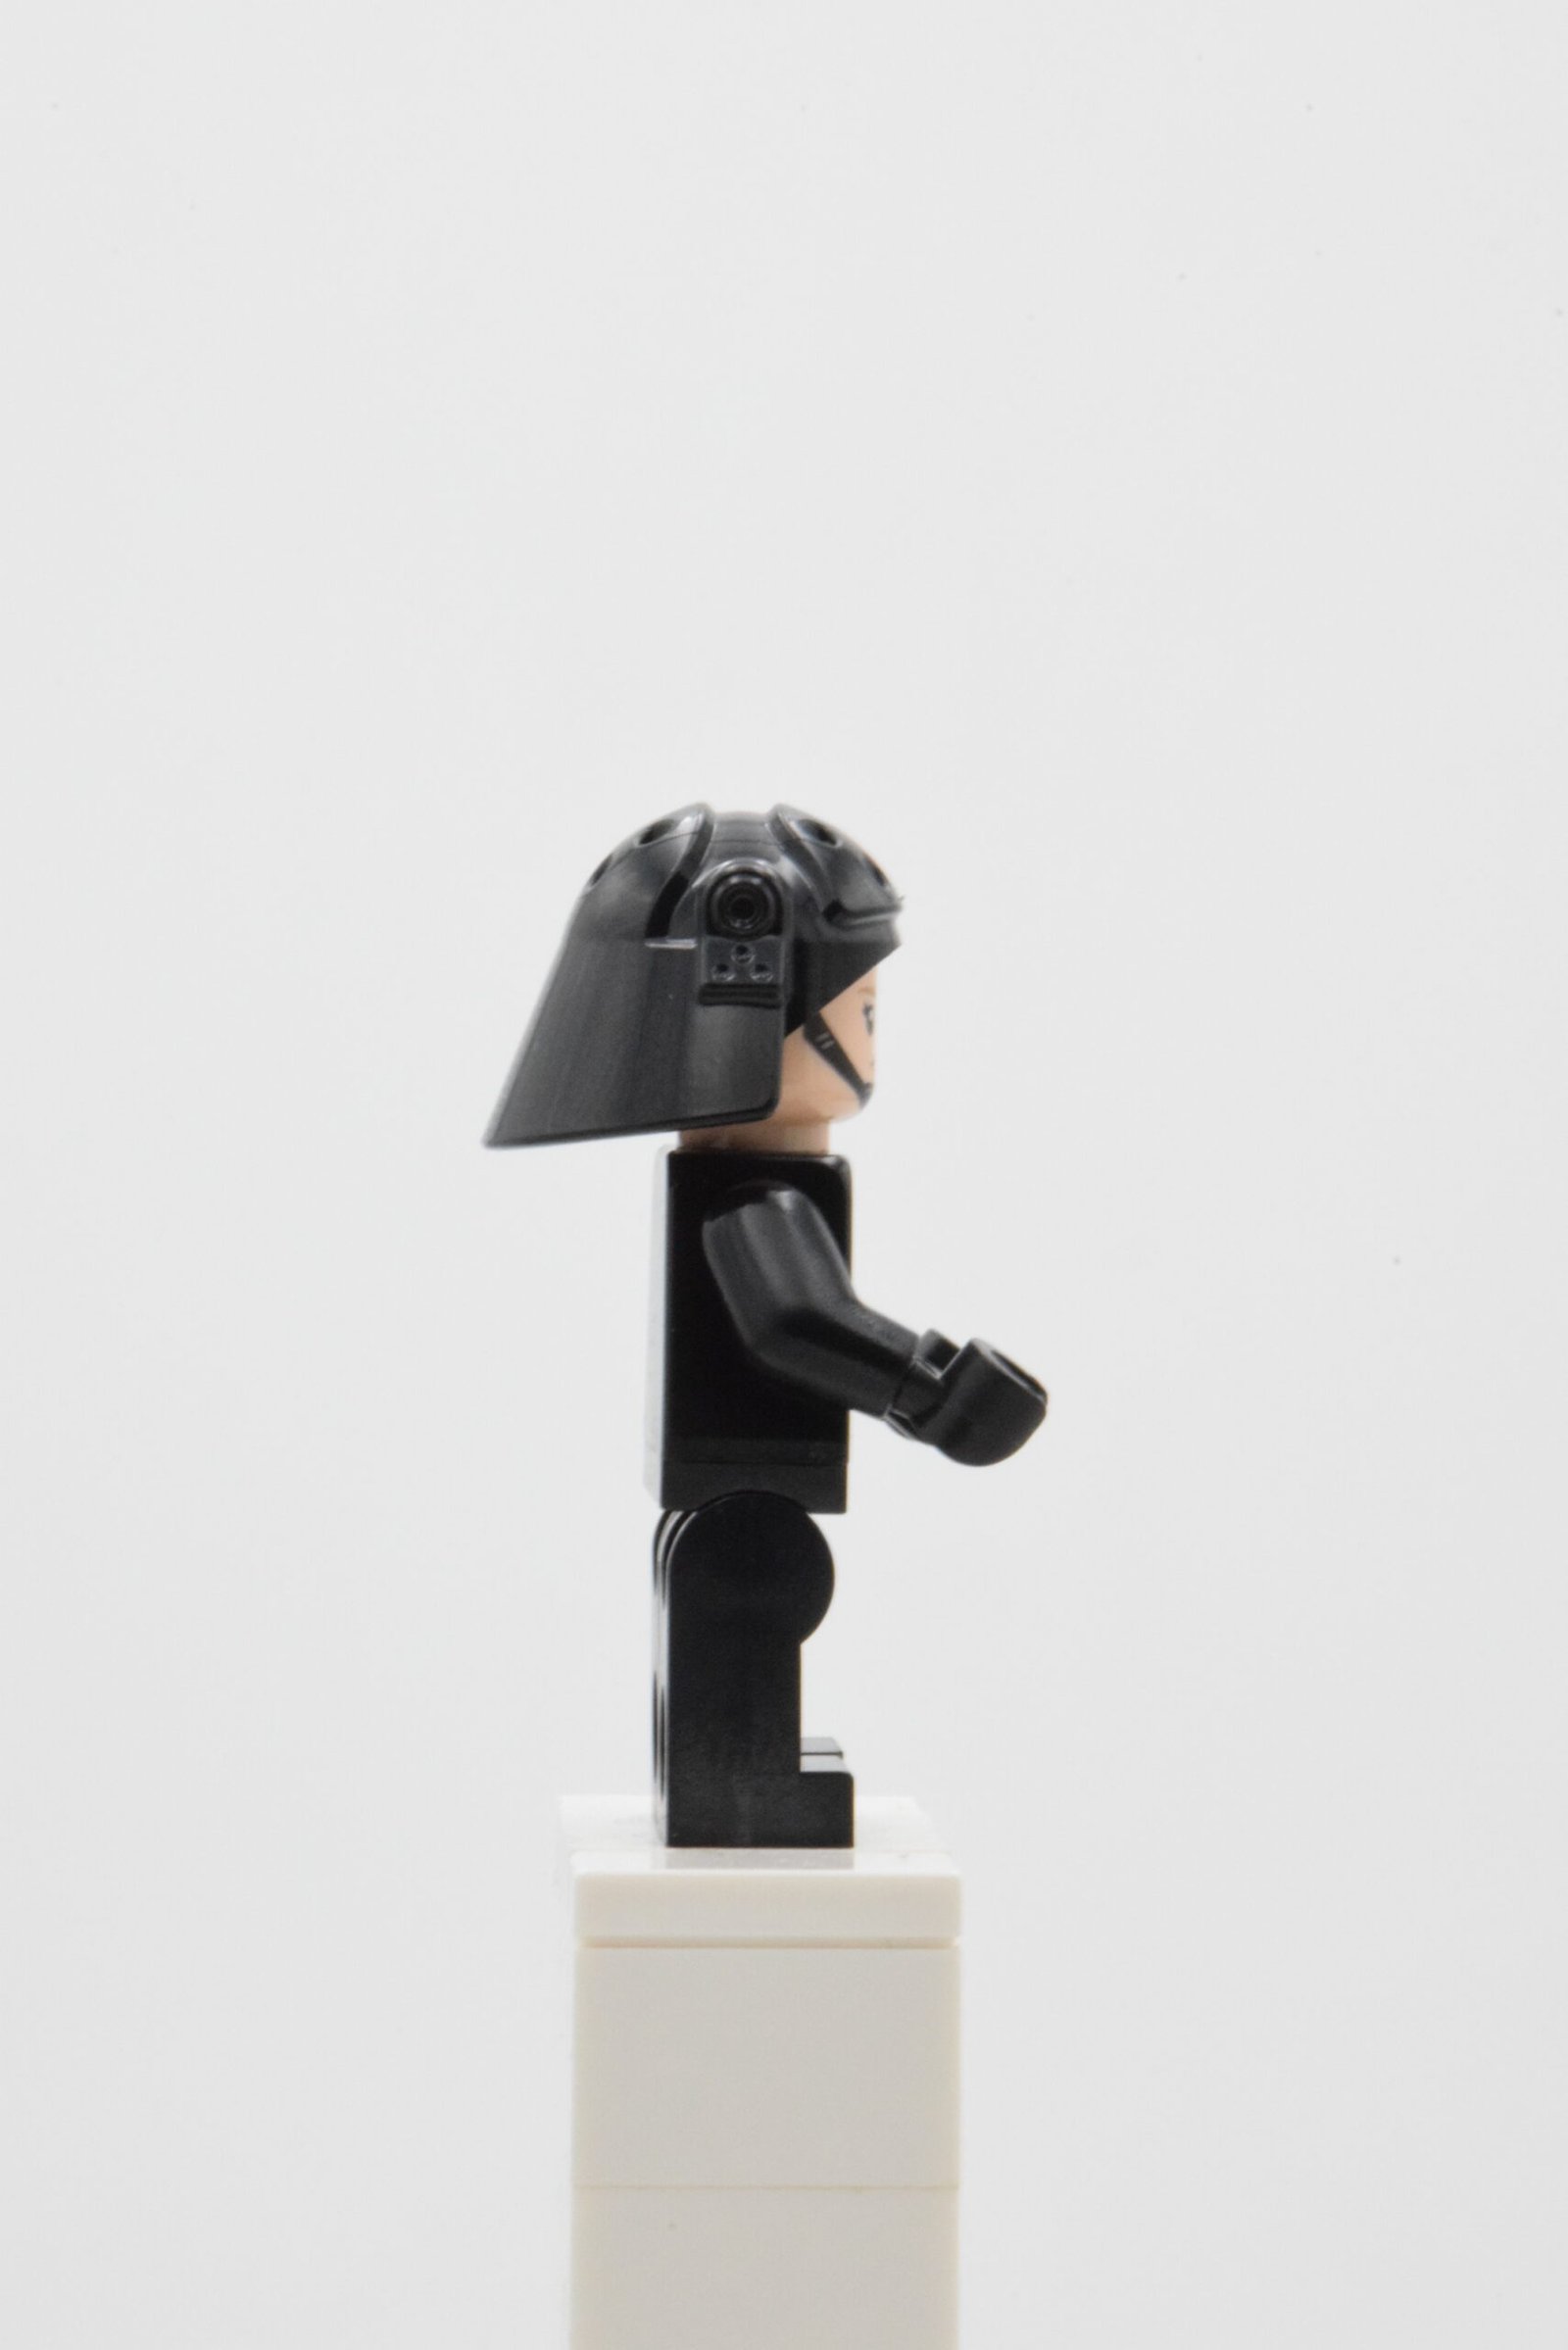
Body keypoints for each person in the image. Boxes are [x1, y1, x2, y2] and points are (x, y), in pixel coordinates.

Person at [486, 804, 1047, 1845]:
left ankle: (735, 1778)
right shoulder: (755, 1200)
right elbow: (796, 1318)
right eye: (861, 1012)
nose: (871, 1044)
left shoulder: (754, 1190)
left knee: (730, 1619)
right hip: (748, 1501)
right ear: (746, 1011)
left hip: (737, 1491)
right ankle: (741, 1793)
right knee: (749, 1612)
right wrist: (934, 1394)